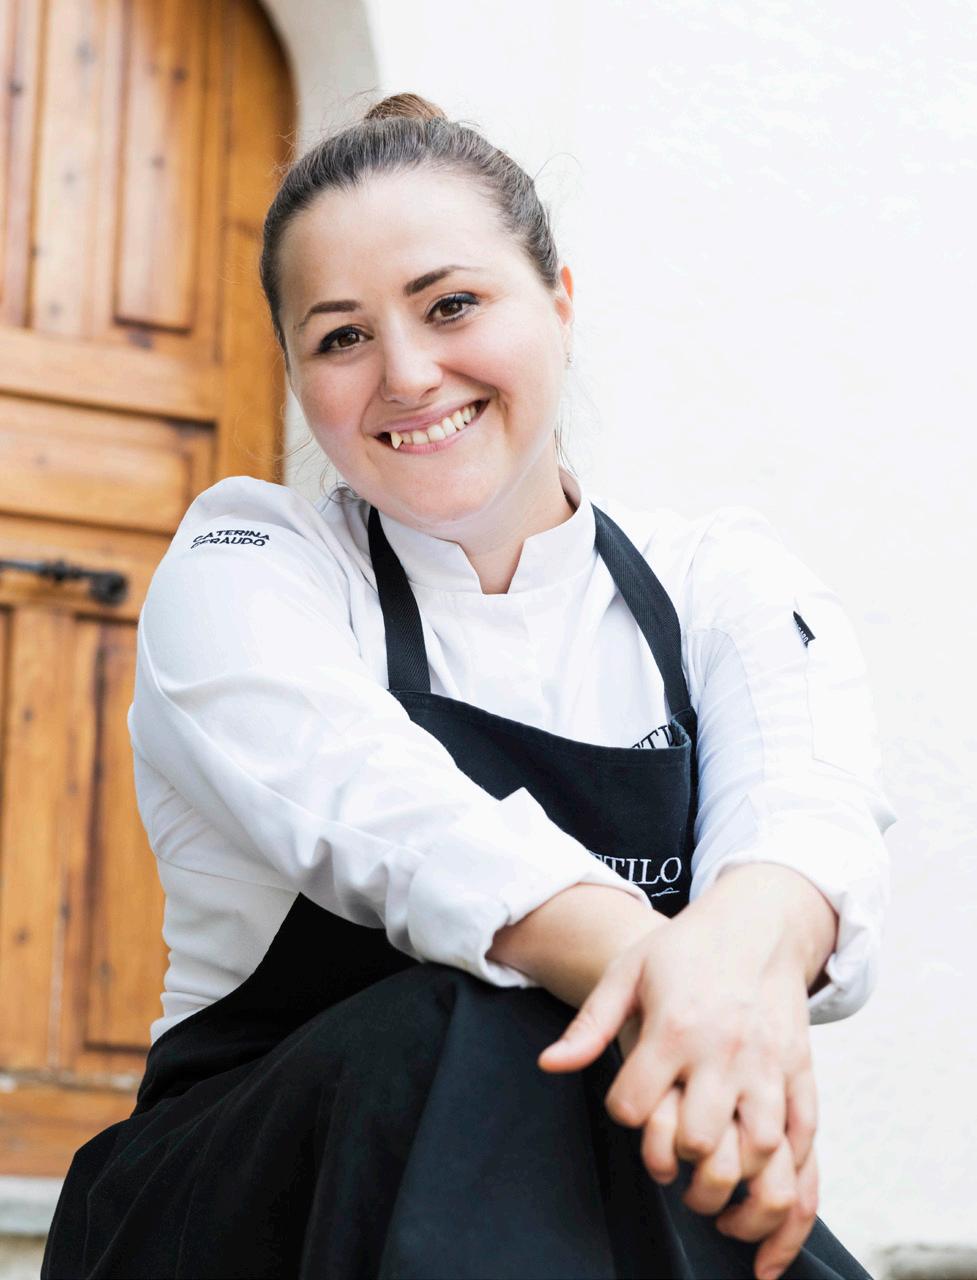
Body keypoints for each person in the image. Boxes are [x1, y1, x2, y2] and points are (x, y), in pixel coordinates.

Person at [41, 93, 896, 1280]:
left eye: (451, 305)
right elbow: (399, 823)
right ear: (295, 374)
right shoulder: (249, 565)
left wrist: (737, 968)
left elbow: (802, 825)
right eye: (340, 337)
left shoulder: (718, 581)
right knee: (473, 1015)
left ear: (559, 301)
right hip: (236, 1209)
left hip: (579, 1179)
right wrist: (665, 968)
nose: (405, 373)